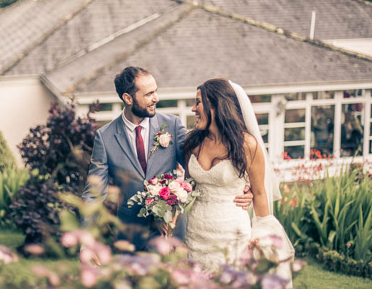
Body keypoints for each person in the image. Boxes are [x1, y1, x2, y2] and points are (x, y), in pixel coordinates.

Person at [82, 67, 253, 252]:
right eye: (149, 94)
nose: (156, 98)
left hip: (171, 230)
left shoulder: (172, 125)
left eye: (156, 91)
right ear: (128, 98)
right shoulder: (105, 137)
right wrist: (86, 243)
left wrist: (244, 187)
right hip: (129, 235)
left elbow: (199, 168)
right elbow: (94, 194)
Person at [183, 79, 294, 284]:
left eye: (198, 102)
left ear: (216, 105)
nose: (193, 109)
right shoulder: (192, 142)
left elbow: (260, 193)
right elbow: (186, 187)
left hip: (232, 232)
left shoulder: (247, 145)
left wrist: (260, 233)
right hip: (196, 232)